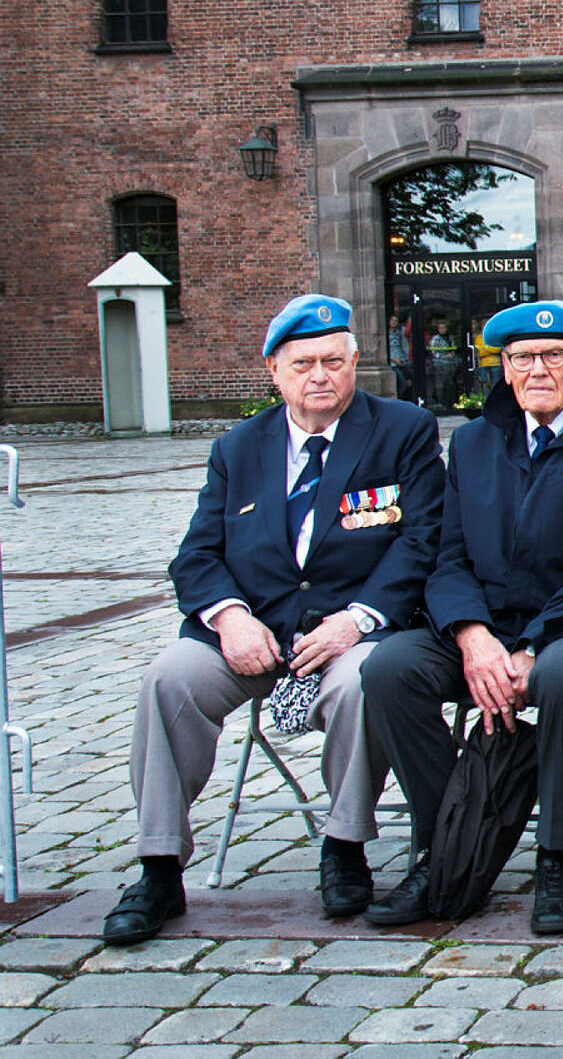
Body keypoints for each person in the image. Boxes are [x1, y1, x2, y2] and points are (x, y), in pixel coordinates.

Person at [105, 295, 442, 945]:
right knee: (169, 677)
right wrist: (229, 617)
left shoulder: (401, 430)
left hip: (352, 634)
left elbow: (422, 541)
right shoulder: (239, 447)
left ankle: (344, 845)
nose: (320, 375)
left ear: (353, 364)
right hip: (251, 635)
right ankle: (158, 867)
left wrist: (358, 620)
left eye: (333, 361)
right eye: (303, 363)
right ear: (274, 370)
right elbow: (196, 555)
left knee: (365, 681)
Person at [360, 300, 563, 935]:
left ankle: (558, 856)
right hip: (481, 626)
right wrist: (472, 637)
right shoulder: (471, 443)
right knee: (390, 668)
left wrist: (529, 646)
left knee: (562, 675)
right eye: (522, 358)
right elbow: (446, 557)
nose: (538, 370)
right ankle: (446, 844)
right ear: (504, 372)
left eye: (554, 356)